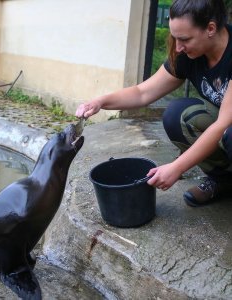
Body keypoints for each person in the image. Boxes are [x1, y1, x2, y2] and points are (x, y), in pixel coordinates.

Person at [75, 0, 232, 207]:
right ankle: (224, 180)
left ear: (210, 28)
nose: (178, 47)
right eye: (174, 38)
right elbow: (142, 92)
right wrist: (100, 102)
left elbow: (222, 124)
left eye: (184, 39)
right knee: (177, 115)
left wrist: (177, 167)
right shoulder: (188, 54)